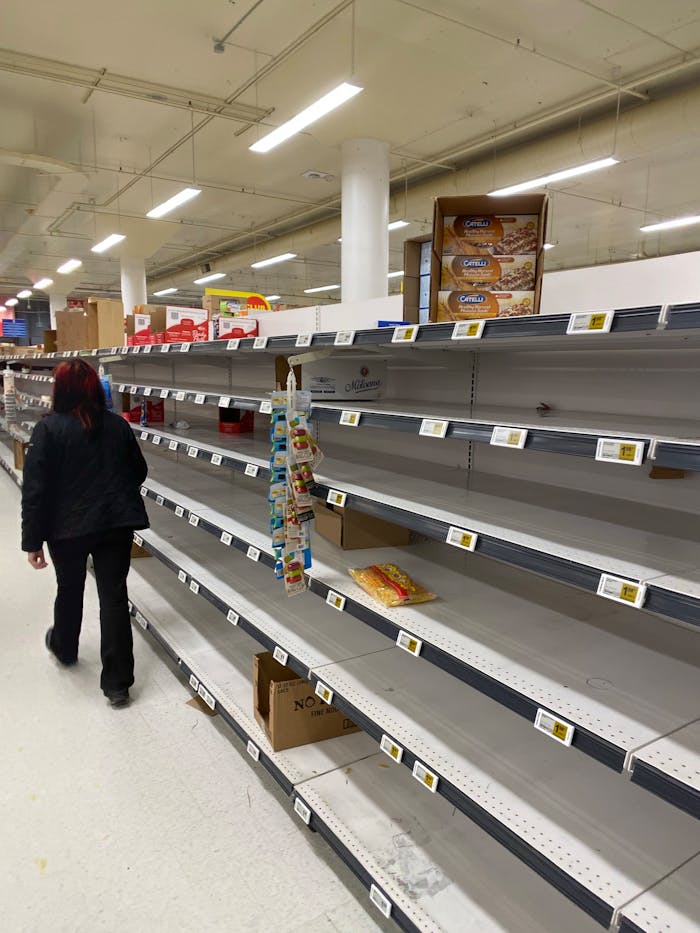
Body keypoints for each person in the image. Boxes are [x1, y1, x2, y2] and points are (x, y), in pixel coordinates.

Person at [21, 358, 149, 707]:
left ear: (59, 390)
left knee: (70, 588)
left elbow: (35, 491)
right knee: (113, 598)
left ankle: (64, 648)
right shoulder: (118, 426)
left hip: (67, 528)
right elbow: (139, 471)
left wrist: (33, 541)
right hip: (114, 524)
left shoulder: (48, 430)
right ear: (96, 388)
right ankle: (118, 684)